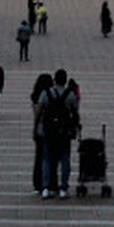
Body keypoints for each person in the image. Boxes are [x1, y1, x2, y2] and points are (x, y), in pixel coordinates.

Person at [35, 68, 79, 198]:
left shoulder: (46, 93)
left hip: (49, 131)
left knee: (47, 159)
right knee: (65, 159)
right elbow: (75, 112)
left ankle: (45, 188)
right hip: (64, 131)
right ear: (65, 80)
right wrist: (76, 127)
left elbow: (39, 112)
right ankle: (63, 188)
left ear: (55, 79)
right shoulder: (70, 94)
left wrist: (35, 128)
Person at [27, 73, 54, 192]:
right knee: (50, 158)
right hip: (50, 130)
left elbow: (36, 115)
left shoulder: (35, 97)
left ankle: (38, 183)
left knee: (39, 157)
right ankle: (49, 182)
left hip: (39, 130)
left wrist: (34, 130)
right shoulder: (49, 96)